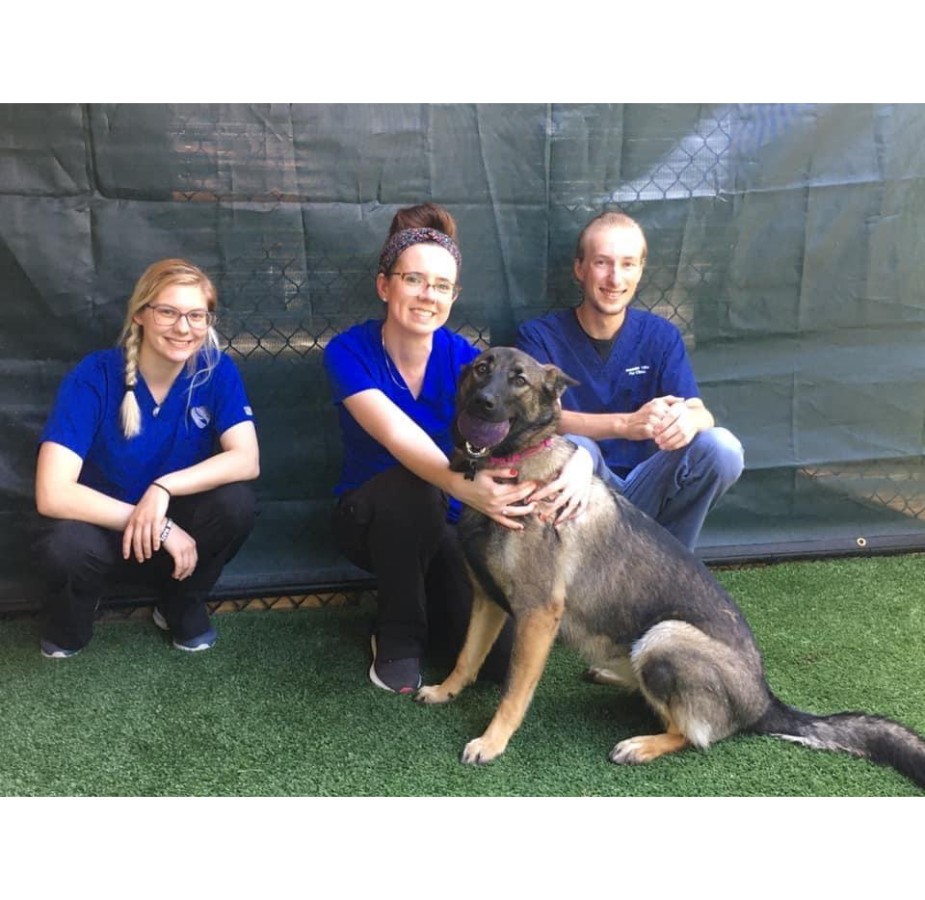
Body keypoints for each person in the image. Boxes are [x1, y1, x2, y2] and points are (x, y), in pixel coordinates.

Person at [324, 204, 594, 694]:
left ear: (453, 296)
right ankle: (398, 634)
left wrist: (583, 455)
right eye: (414, 280)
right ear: (385, 286)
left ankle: (430, 599)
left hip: (452, 523)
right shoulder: (347, 351)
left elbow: (536, 412)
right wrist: (464, 488)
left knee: (499, 662)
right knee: (414, 486)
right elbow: (396, 435)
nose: (428, 295)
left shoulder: (470, 361)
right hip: (370, 520)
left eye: (442, 285)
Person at [35, 259, 260, 658]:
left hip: (176, 534)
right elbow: (52, 492)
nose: (183, 327)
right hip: (104, 532)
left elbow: (246, 459)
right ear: (141, 314)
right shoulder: (95, 375)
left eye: (196, 315)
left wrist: (163, 489)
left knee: (237, 502)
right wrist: (159, 527)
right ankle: (77, 612)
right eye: (168, 312)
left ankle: (179, 603)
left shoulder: (216, 370)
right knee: (66, 544)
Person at [517, 212, 743, 551]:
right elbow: (537, 420)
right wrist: (625, 425)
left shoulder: (660, 335)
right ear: (580, 269)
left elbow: (700, 412)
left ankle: (670, 563)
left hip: (648, 489)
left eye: (627, 264)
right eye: (602, 263)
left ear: (640, 270)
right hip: (581, 494)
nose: (615, 277)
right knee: (579, 449)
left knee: (722, 448)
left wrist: (687, 421)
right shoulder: (539, 337)